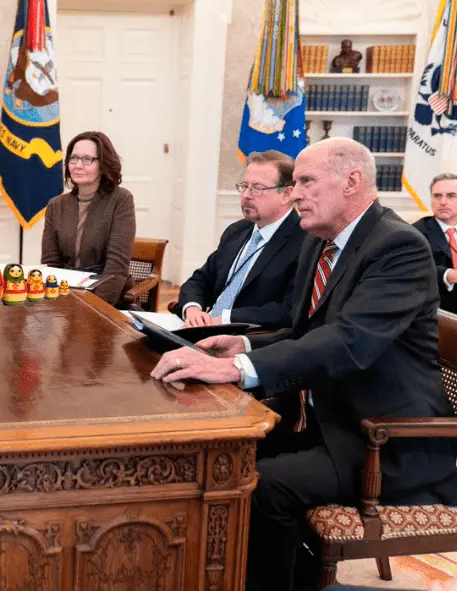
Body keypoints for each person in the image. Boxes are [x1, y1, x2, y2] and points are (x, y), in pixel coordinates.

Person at [151, 138, 457, 591]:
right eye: (294, 183)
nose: (295, 194)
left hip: (384, 441)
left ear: (352, 181)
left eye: (306, 181)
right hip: (328, 422)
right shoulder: (321, 241)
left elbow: (348, 341)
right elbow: (306, 331)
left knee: (261, 486)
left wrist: (238, 370)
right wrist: (243, 346)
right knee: (220, 460)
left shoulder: (399, 247)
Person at [173, 150, 306, 330]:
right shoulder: (237, 231)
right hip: (200, 329)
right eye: (244, 186)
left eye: (257, 188)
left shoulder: (304, 242)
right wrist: (193, 309)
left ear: (287, 194)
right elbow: (200, 280)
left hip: (246, 338)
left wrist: (225, 319)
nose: (246, 195)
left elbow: (287, 310)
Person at [40, 130, 135, 306]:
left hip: (107, 298)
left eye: (87, 159)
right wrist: (56, 304)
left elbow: (116, 267)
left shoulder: (121, 200)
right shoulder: (55, 205)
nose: (78, 165)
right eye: (73, 158)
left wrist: (93, 309)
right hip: (66, 295)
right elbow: (51, 264)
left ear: (103, 164)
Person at [413, 172, 457, 313]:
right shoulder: (415, 232)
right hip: (439, 308)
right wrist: (448, 275)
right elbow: (415, 268)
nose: (442, 202)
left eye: (451, 196)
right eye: (437, 196)